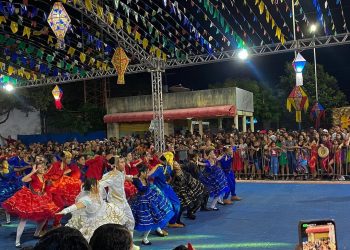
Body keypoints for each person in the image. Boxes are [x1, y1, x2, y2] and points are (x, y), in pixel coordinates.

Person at [2, 162, 60, 247]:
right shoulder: (34, 176)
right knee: (23, 220)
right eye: (38, 168)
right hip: (29, 199)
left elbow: (47, 186)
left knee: (45, 216)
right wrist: (32, 171)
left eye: (42, 167)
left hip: (40, 199)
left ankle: (36, 233)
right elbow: (23, 180)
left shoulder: (45, 177)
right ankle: (17, 241)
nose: (40, 169)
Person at [57, 178, 128, 241]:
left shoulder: (98, 193)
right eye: (98, 185)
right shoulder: (87, 199)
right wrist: (64, 211)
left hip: (105, 214)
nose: (99, 186)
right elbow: (75, 206)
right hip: (94, 221)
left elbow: (106, 181)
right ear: (92, 186)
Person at [98, 157, 139, 250]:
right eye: (121, 162)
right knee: (117, 227)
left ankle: (130, 245)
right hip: (115, 204)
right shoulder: (111, 176)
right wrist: (101, 199)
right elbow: (100, 184)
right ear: (116, 164)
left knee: (131, 222)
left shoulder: (121, 172)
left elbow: (123, 176)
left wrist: (132, 178)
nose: (124, 164)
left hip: (124, 202)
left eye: (124, 162)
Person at [130, 165, 174, 245]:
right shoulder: (135, 179)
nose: (147, 173)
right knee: (141, 220)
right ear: (142, 172)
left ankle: (146, 238)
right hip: (141, 202)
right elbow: (140, 188)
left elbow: (150, 184)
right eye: (146, 172)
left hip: (150, 198)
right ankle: (131, 240)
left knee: (154, 218)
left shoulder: (146, 178)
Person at [148, 155, 183, 228]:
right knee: (164, 208)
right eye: (170, 159)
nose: (172, 161)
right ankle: (160, 227)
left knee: (177, 204)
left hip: (167, 188)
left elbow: (170, 176)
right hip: (159, 190)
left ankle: (172, 222)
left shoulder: (169, 167)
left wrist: (169, 181)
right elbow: (149, 177)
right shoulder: (159, 168)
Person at [0, 158, 23, 225]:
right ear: (1, 164)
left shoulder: (11, 168)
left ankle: (12, 218)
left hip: (11, 187)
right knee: (4, 204)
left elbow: (19, 169)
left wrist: (27, 166)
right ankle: (8, 220)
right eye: (4, 163)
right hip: (3, 188)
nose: (6, 164)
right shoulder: (0, 171)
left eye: (7, 162)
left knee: (10, 203)